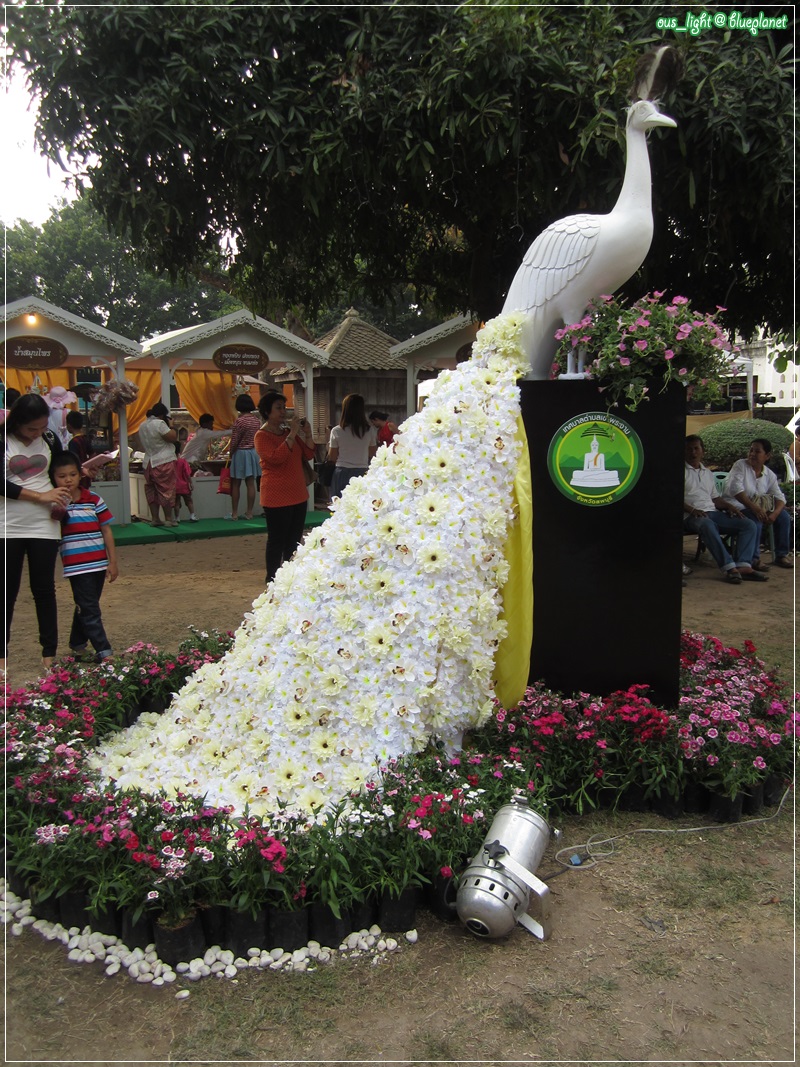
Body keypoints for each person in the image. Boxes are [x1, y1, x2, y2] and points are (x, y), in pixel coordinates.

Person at [1, 393, 72, 675]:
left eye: (42, 428)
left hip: (44, 523)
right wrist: (38, 497)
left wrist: (68, 486)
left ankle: (49, 655)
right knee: (7, 590)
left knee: (44, 589)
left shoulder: (50, 440)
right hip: (7, 523)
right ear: (17, 422)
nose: (37, 434)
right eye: (32, 429)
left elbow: (60, 471)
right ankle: (2, 657)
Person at [52, 452, 118, 662]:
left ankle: (77, 644)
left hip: (98, 563)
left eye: (72, 474)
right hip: (76, 567)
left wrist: (112, 561)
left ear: (80, 475)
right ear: (54, 478)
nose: (68, 480)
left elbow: (106, 530)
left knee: (86, 604)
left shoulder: (94, 499)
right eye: (62, 476)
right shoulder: (55, 503)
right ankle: (104, 650)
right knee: (90, 607)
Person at [683, 435, 766, 584]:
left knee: (748, 524)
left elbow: (715, 498)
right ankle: (729, 568)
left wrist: (729, 506)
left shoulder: (707, 473)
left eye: (696, 448)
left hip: (712, 513)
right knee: (707, 524)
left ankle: (743, 566)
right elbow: (673, 499)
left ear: (703, 451)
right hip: (690, 516)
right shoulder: (679, 471)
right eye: (689, 449)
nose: (693, 452)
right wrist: (692, 510)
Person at [254, 391, 316, 582]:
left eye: (284, 407)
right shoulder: (261, 436)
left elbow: (309, 453)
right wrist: (293, 434)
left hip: (298, 493)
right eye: (278, 408)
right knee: (277, 540)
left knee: (294, 539)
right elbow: (276, 459)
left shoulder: (289, 433)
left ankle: (290, 576)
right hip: (276, 495)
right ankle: (272, 578)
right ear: (267, 411)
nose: (283, 411)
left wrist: (307, 433)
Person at [723, 438, 793, 570]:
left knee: (783, 517)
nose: (752, 454)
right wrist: (755, 508)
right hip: (737, 506)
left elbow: (780, 498)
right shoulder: (740, 465)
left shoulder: (769, 474)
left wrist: (775, 514)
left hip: (757, 507)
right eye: (751, 450)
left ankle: (781, 555)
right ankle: (754, 558)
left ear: (767, 456)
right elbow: (736, 491)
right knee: (756, 518)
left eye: (757, 451)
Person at [137, 402, 178, 527]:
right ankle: (168, 519)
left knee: (152, 490)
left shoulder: (142, 425)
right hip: (163, 460)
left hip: (148, 462)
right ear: (162, 415)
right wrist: (171, 426)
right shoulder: (159, 424)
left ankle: (155, 518)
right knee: (166, 490)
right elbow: (172, 437)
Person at [328, 394, 377, 496]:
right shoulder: (369, 430)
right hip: (362, 473)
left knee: (340, 507)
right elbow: (372, 453)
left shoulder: (337, 431)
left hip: (342, 473)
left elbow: (332, 457)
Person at [229, 394, 261, 520]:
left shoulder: (239, 421)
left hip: (240, 453)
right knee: (250, 483)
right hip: (253, 452)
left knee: (236, 483)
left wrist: (231, 453)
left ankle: (235, 513)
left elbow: (235, 440)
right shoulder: (256, 421)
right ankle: (249, 512)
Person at [66, 410, 93, 488]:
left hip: (78, 476)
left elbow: (73, 460)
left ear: (69, 426)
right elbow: (92, 453)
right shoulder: (85, 439)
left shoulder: (73, 442)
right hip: (87, 476)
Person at [174, 446, 198, 522]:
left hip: (174, 486)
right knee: (189, 501)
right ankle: (192, 515)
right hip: (184, 486)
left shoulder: (170, 463)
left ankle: (177, 518)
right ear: (179, 453)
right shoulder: (183, 461)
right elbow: (187, 474)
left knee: (176, 503)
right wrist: (190, 482)